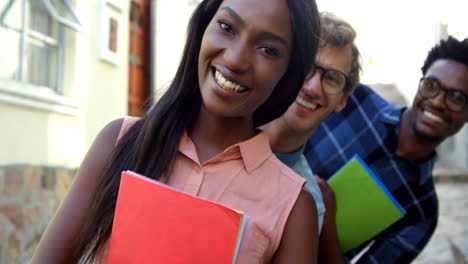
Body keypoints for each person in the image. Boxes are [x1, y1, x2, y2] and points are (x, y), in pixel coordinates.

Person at [31, 0, 322, 263]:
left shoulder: (294, 208)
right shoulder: (119, 140)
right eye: (226, 27)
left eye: (268, 50)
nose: (234, 59)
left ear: (289, 71)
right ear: (203, 27)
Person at [306, 36, 468, 263]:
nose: (439, 101)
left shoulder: (421, 212)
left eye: (457, 97)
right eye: (431, 85)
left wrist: (327, 224)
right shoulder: (353, 100)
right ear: (420, 84)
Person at [263, 12, 362, 233]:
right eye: (307, 66)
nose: (313, 88)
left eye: (332, 78)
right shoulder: (211, 134)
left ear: (342, 100)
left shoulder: (308, 207)